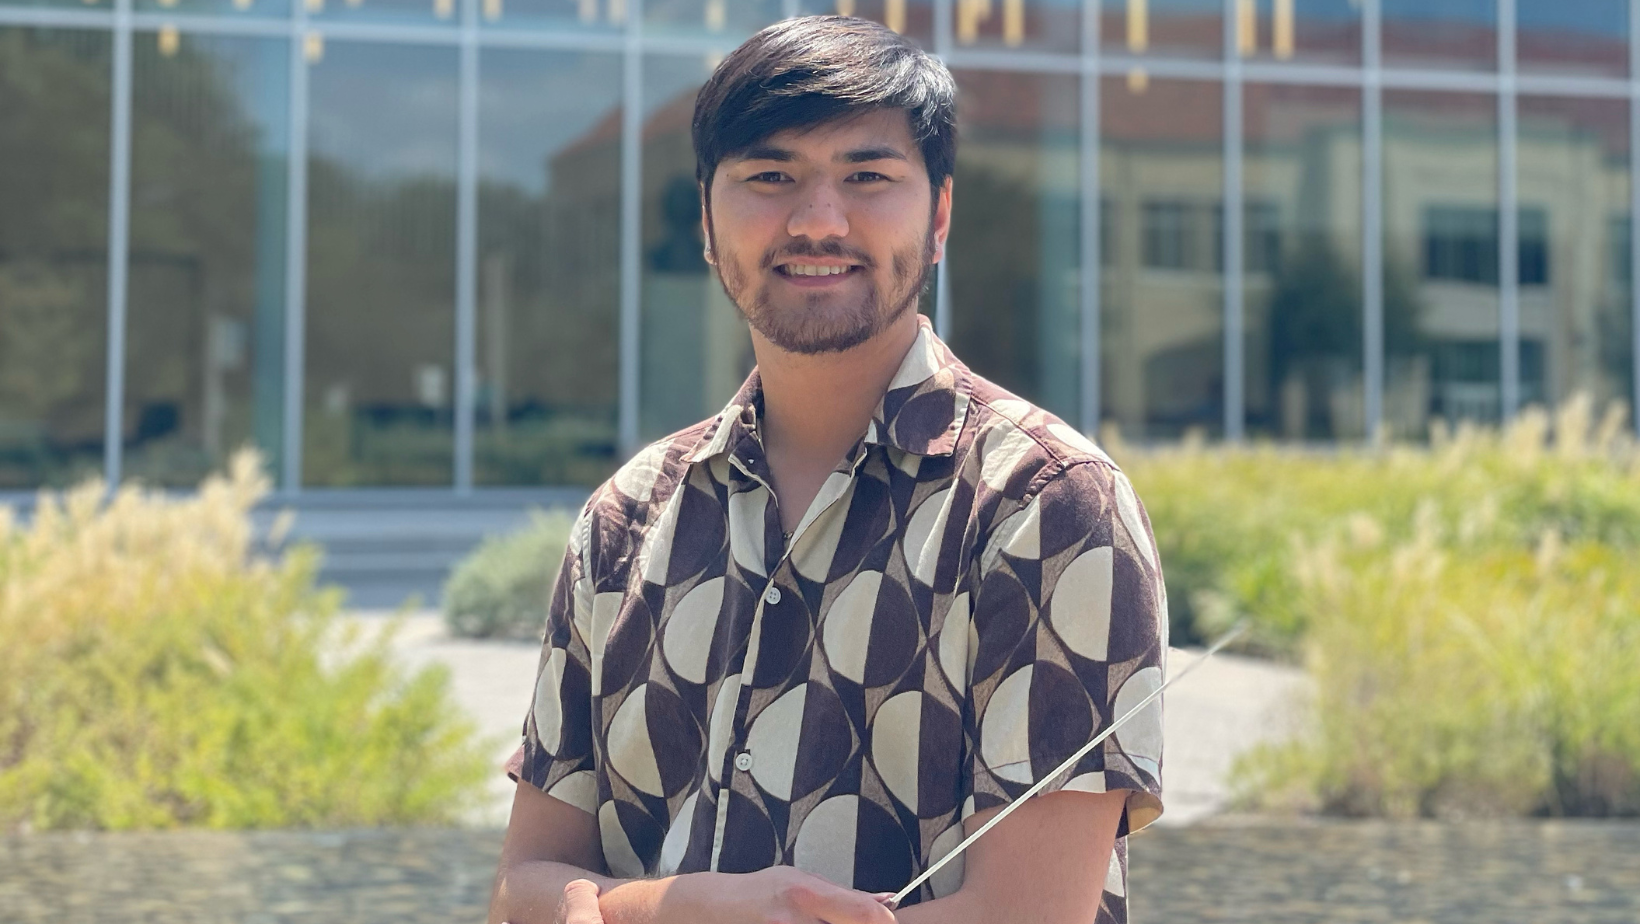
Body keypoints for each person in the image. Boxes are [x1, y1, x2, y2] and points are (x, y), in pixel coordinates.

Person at [488, 15, 1167, 924]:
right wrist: (692, 907)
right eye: (771, 177)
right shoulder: (629, 516)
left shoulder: (1043, 506)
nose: (818, 221)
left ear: (939, 217)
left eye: (867, 177)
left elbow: (1031, 915)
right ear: (706, 219)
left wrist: (619, 912)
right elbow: (519, 890)